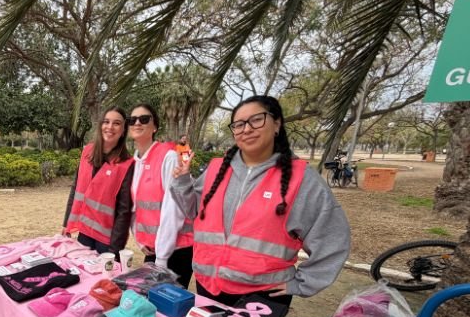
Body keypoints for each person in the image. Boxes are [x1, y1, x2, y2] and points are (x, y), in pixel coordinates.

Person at [171, 95, 350, 306]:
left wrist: (302, 283)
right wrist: (183, 181)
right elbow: (192, 211)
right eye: (238, 124)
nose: (246, 129)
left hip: (262, 297)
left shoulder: (301, 179)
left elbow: (333, 237)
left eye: (256, 120)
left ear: (277, 124)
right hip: (209, 287)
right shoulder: (216, 169)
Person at [129, 103, 194, 288]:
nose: (137, 123)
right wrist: (140, 240)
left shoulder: (169, 156)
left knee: (166, 308)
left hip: (175, 251)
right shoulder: (135, 162)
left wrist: (162, 259)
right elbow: (135, 208)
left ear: (155, 126)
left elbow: (173, 211)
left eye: (144, 119)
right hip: (152, 249)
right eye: (132, 120)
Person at [63, 106, 134, 255]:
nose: (110, 127)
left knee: (104, 278)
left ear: (123, 131)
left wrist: (115, 248)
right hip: (83, 233)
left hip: (107, 241)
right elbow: (75, 190)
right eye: (106, 122)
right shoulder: (87, 152)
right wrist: (66, 223)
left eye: (116, 123)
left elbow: (124, 211)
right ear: (101, 125)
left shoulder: (126, 164)